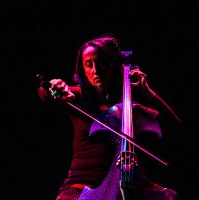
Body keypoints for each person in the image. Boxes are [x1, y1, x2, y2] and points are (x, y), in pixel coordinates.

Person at [37, 34, 179, 200]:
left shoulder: (129, 106)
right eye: (88, 65)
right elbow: (45, 93)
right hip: (84, 183)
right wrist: (54, 85)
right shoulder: (76, 96)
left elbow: (173, 125)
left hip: (130, 181)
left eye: (101, 63)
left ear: (113, 65)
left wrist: (149, 94)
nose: (95, 71)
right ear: (82, 70)